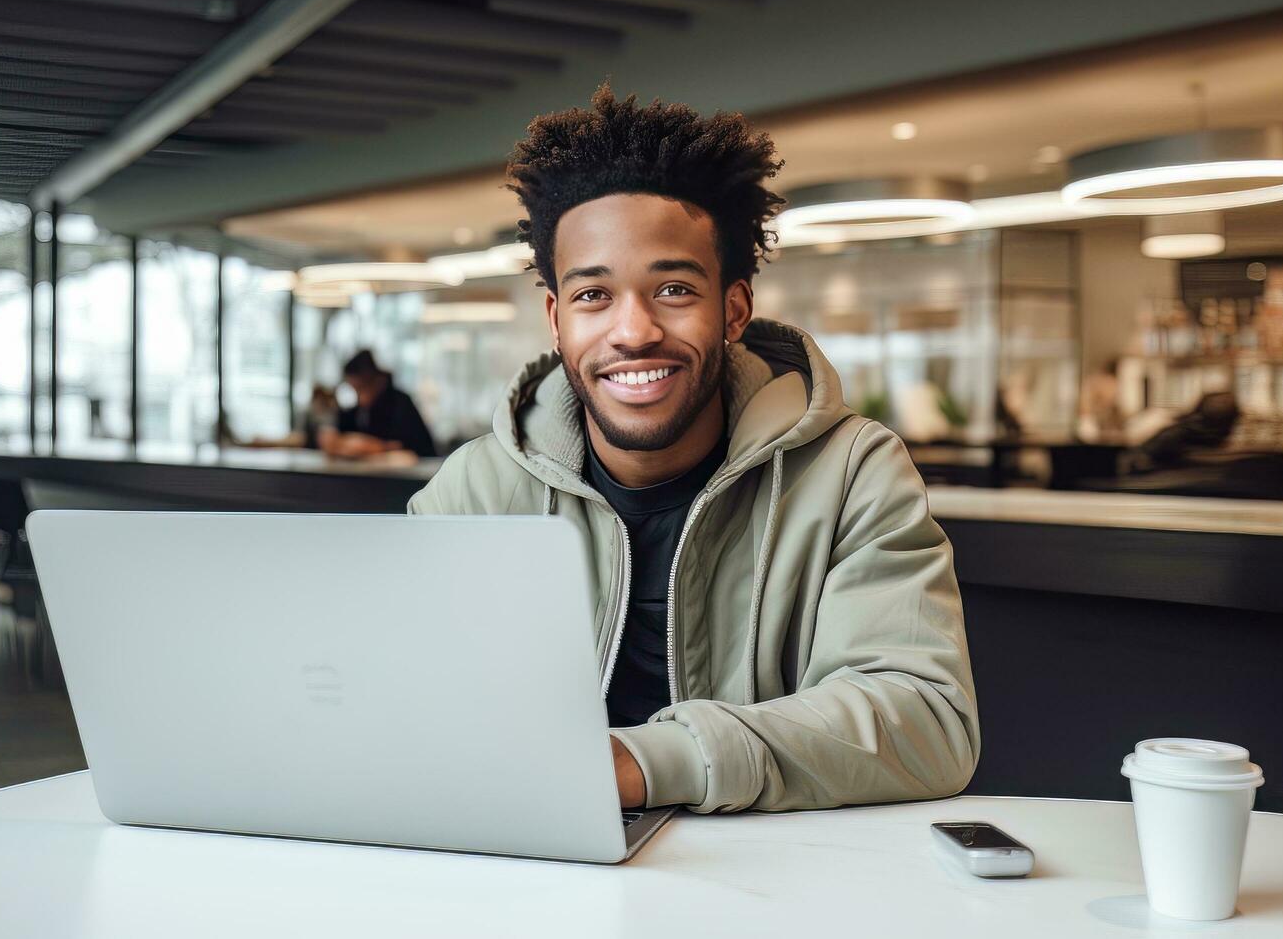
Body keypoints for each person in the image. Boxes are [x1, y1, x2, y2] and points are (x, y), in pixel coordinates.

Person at [409, 85, 979, 814]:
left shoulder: (852, 473)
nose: (634, 331)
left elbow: (926, 719)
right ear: (556, 320)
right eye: (593, 297)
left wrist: (645, 763)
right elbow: (409, 698)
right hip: (539, 865)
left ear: (733, 309)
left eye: (673, 289)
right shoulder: (475, 491)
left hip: (780, 882)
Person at [319, 350, 437, 458]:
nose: (359, 398)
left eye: (360, 389)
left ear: (377, 381)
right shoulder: (359, 409)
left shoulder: (400, 404)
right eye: (354, 390)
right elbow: (343, 432)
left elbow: (414, 446)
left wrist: (376, 447)